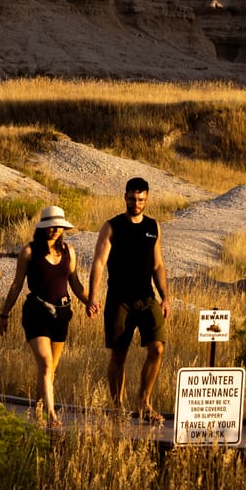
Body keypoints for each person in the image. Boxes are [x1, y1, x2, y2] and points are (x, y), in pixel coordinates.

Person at [87, 176, 172, 423]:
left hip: (147, 298)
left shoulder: (154, 226)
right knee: (118, 355)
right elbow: (99, 263)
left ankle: (144, 403)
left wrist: (165, 297)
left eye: (141, 199)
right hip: (119, 301)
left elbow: (158, 265)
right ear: (125, 196)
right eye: (133, 198)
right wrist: (93, 296)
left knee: (157, 347)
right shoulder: (112, 226)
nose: (136, 203)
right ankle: (118, 407)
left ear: (146, 199)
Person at [0, 205, 89, 428]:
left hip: (62, 315)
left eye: (58, 226)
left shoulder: (69, 252)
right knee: (46, 363)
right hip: (36, 313)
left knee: (48, 370)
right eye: (50, 226)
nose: (55, 230)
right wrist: (4, 314)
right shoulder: (29, 252)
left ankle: (38, 414)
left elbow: (75, 283)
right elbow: (17, 285)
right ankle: (51, 416)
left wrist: (90, 302)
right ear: (42, 227)